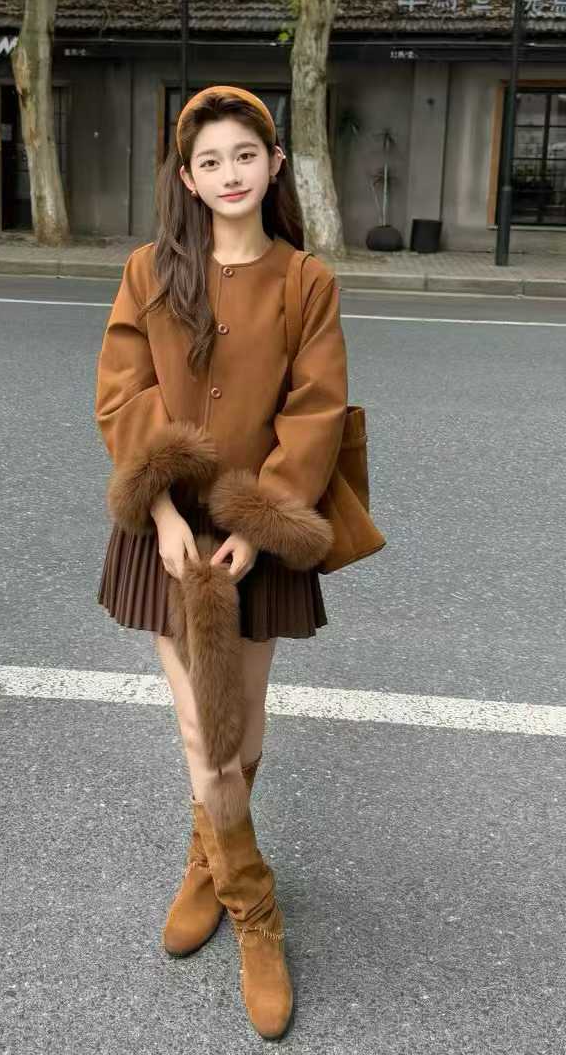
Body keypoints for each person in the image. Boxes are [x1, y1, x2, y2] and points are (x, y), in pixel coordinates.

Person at [95, 85, 383, 1040]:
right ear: (187, 177)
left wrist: (258, 525)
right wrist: (160, 510)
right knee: (205, 734)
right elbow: (123, 392)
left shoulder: (307, 281)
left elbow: (315, 410)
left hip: (256, 532)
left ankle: (205, 857)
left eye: (245, 156)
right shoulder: (150, 270)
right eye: (210, 161)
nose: (229, 174)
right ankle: (254, 906)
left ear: (274, 165)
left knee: (244, 725)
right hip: (171, 534)